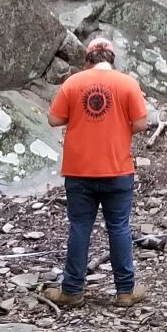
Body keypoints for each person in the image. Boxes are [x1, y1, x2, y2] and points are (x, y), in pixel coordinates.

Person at [42, 36, 150, 308]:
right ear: (112, 58)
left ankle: (72, 290)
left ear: (88, 59)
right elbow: (141, 123)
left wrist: (78, 118)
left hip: (79, 171)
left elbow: (54, 119)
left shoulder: (73, 83)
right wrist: (119, 128)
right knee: (119, 228)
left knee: (80, 227)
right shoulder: (127, 83)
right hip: (117, 168)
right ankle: (125, 291)